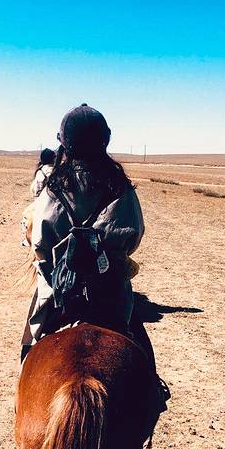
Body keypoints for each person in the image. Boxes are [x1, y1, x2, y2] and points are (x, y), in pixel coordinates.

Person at [21, 104, 156, 372]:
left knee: (31, 345)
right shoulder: (119, 185)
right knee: (140, 349)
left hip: (59, 290)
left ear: (64, 141)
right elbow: (132, 234)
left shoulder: (53, 186)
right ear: (105, 140)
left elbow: (39, 241)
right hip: (108, 290)